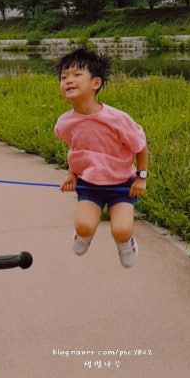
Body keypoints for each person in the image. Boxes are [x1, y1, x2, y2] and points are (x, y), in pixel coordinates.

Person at [54, 48, 149, 268]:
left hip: (121, 185)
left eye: (77, 75)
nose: (68, 81)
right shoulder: (64, 123)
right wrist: (72, 174)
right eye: (63, 77)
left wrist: (141, 177)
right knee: (85, 226)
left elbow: (141, 147)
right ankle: (82, 236)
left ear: (95, 83)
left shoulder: (117, 119)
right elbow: (76, 149)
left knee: (121, 230)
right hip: (90, 185)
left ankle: (127, 244)